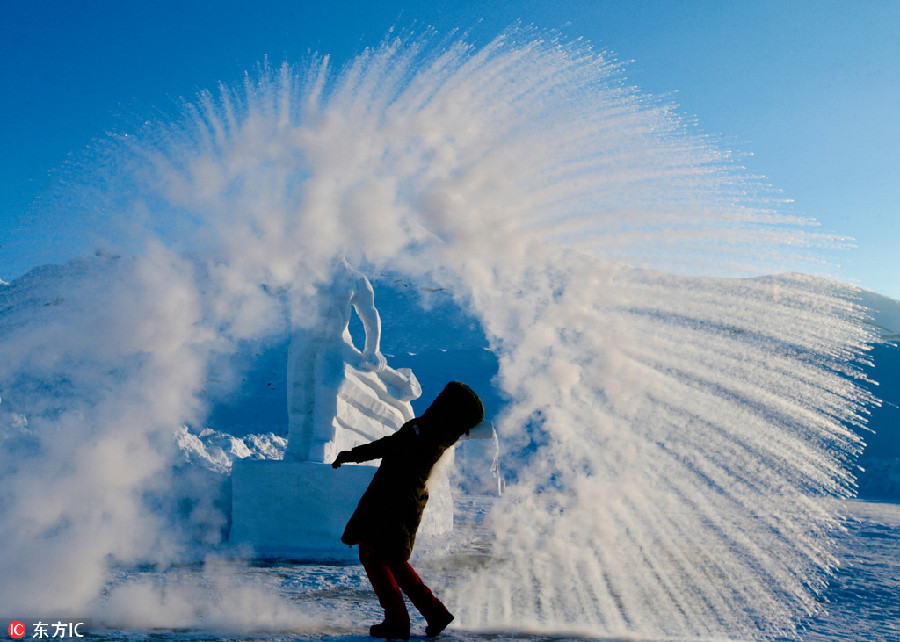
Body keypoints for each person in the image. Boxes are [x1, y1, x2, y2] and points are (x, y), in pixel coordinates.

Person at [332, 381, 485, 639]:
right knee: (387, 557)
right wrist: (352, 455)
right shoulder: (436, 428)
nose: (436, 400)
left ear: (450, 407)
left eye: (442, 398)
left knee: (376, 555)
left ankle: (401, 619)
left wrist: (350, 455)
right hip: (398, 499)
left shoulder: (428, 430)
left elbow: (390, 445)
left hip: (393, 500)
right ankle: (430, 613)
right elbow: (393, 444)